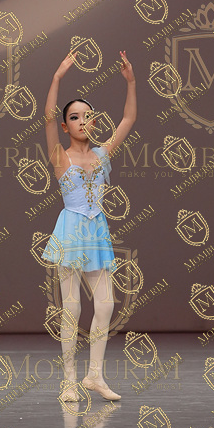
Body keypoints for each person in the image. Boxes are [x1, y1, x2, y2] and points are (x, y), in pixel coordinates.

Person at [41, 50, 136, 401]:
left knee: (106, 304)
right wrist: (57, 77)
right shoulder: (60, 156)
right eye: (74, 117)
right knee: (72, 308)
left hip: (96, 231)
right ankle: (68, 381)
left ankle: (94, 376)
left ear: (94, 122)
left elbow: (128, 119)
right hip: (71, 231)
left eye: (87, 116)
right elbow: (47, 119)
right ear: (66, 126)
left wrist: (131, 82)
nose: (82, 121)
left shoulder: (101, 154)